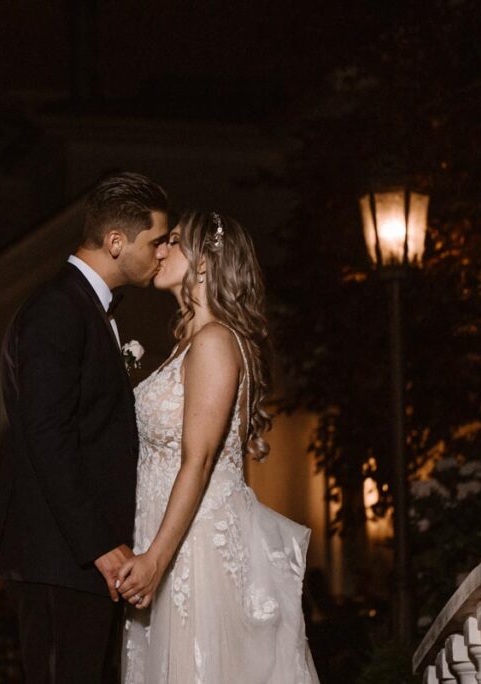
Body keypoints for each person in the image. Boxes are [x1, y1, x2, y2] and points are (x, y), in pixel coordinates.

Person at [0, 171, 170, 683]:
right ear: (115, 242)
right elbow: (46, 435)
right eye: (154, 241)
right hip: (59, 557)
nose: (161, 253)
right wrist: (98, 546)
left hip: (74, 558)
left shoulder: (82, 308)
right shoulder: (57, 310)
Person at [117, 211, 320, 683]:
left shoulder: (214, 342)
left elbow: (201, 459)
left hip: (193, 551)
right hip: (169, 536)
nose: (160, 251)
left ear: (205, 262)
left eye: (173, 243)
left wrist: (155, 561)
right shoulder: (192, 342)